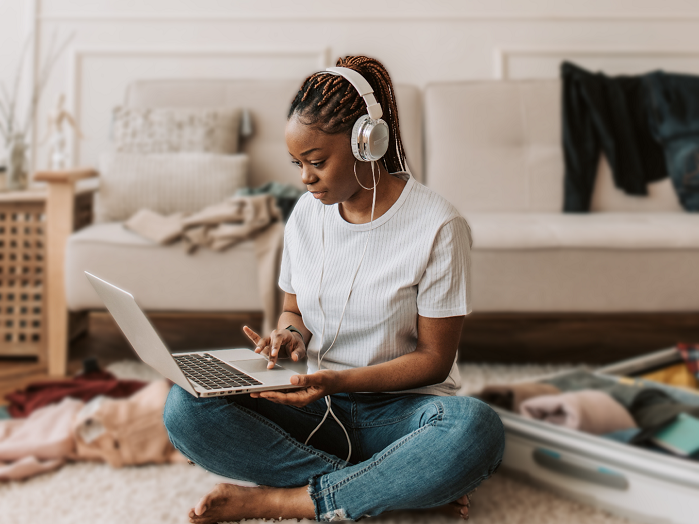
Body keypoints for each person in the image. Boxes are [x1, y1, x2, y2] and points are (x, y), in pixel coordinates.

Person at [164, 56, 505, 524]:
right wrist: (289, 338)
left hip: (401, 417)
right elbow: (293, 311)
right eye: (298, 163)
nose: (305, 177)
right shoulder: (306, 214)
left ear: (368, 143)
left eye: (318, 162)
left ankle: (285, 501)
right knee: (185, 406)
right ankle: (387, 488)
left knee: (474, 430)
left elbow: (434, 360)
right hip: (316, 407)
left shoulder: (438, 225)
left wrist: (338, 380)